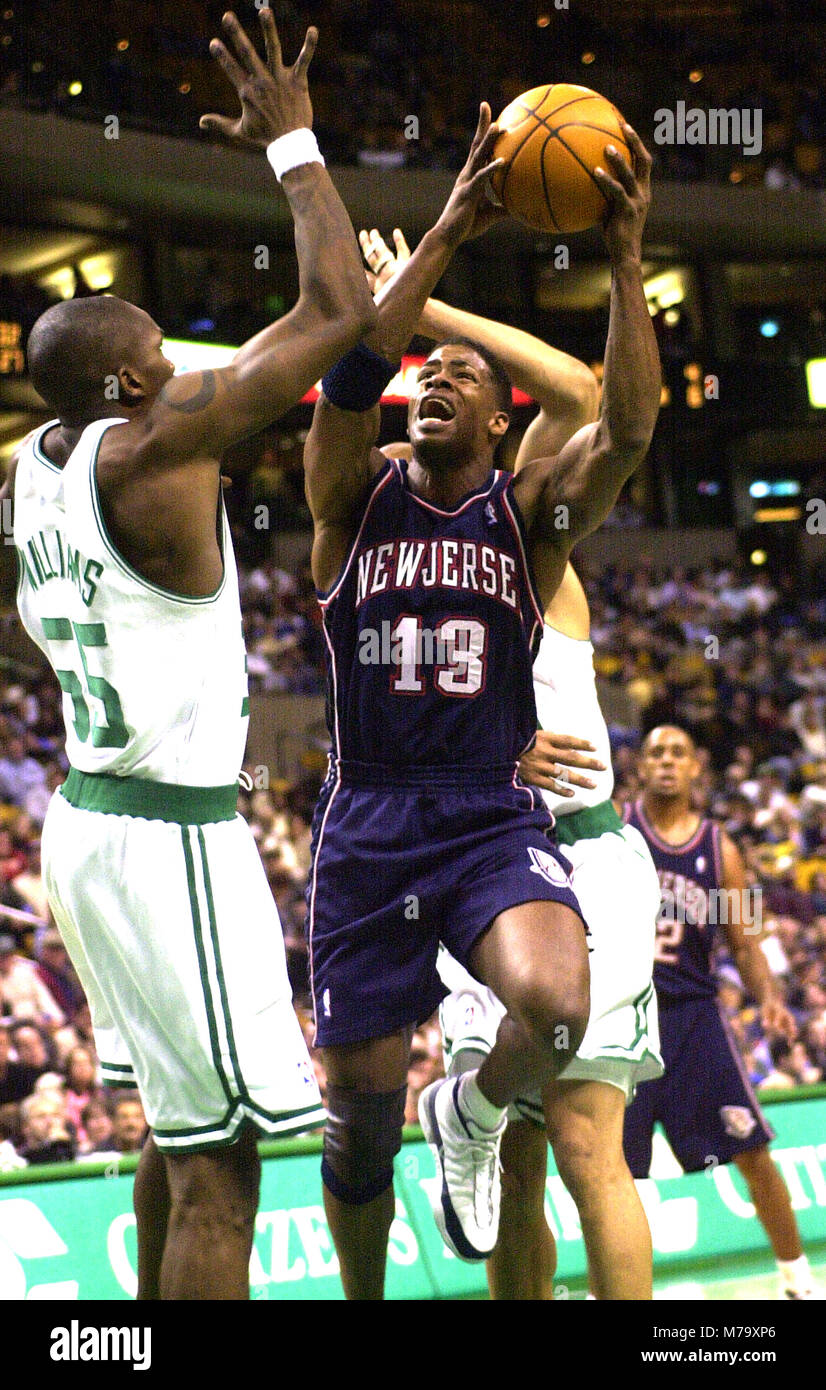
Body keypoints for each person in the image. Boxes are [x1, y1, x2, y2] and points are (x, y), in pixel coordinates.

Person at [0, 8, 377, 1300]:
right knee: (225, 1167)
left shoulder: (29, 469)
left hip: (84, 818)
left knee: (174, 1121)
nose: (178, 369)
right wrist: (292, 144)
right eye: (159, 361)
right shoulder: (157, 448)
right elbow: (336, 306)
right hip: (168, 835)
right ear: (123, 394)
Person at [302, 113, 660, 1298]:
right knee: (356, 1135)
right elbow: (353, 370)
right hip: (366, 824)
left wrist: (624, 255)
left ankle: (471, 1102)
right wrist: (450, 225)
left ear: (500, 427)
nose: (434, 378)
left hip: (484, 820)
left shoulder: (529, 519)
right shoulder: (349, 503)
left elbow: (631, 424)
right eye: (426, 373)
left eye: (460, 376)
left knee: (556, 1006)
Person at [623, 725, 815, 1300]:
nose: (665, 761)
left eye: (677, 753)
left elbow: (746, 938)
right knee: (612, 1171)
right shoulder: (618, 830)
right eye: (656, 752)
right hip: (625, 1017)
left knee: (752, 1148)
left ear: (695, 769)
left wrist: (771, 998)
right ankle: (617, 1289)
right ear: (640, 767)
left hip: (694, 1019)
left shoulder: (720, 848)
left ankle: (797, 1279)